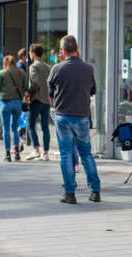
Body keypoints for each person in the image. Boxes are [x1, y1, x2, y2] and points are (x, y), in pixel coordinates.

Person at [48, 35, 101, 204]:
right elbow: (93, 91)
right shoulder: (88, 68)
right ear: (77, 49)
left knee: (65, 154)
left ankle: (70, 193)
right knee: (86, 153)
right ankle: (95, 190)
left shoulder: (56, 69)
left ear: (63, 51)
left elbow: (50, 94)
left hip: (62, 116)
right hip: (82, 116)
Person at [0, 55, 27, 162]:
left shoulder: (2, 73)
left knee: (6, 128)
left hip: (5, 103)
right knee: (15, 128)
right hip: (17, 103)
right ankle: (17, 153)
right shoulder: (21, 72)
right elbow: (26, 87)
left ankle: (8, 154)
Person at [25, 44, 52, 161]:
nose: (29, 55)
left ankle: (36, 150)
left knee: (30, 124)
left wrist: (28, 93)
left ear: (33, 53)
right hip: (46, 100)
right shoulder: (47, 67)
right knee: (45, 127)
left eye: (30, 53)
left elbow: (35, 83)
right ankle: (45, 153)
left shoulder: (34, 66)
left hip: (37, 99)